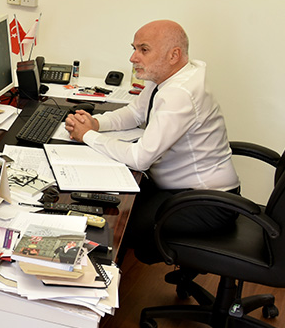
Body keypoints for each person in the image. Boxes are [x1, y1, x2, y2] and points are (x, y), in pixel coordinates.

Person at [64, 20, 239, 263]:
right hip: (180, 188)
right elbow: (135, 113)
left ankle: (103, 279)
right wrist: (96, 123)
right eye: (134, 48)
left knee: (118, 223)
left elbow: (140, 158)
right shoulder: (170, 77)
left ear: (173, 55)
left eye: (143, 50)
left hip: (206, 202)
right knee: (107, 201)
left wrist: (87, 136)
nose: (133, 57)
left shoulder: (180, 93)